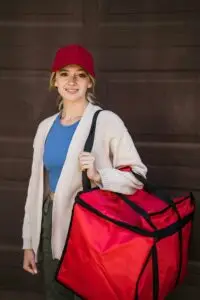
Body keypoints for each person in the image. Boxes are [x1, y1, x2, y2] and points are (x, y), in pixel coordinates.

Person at [22, 44, 147, 300]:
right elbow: (35, 189)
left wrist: (101, 175)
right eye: (65, 73)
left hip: (90, 226)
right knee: (55, 293)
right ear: (54, 80)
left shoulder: (106, 121)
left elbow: (138, 175)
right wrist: (29, 243)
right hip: (51, 221)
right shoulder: (45, 128)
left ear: (90, 82)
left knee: (89, 294)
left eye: (80, 74)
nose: (72, 81)